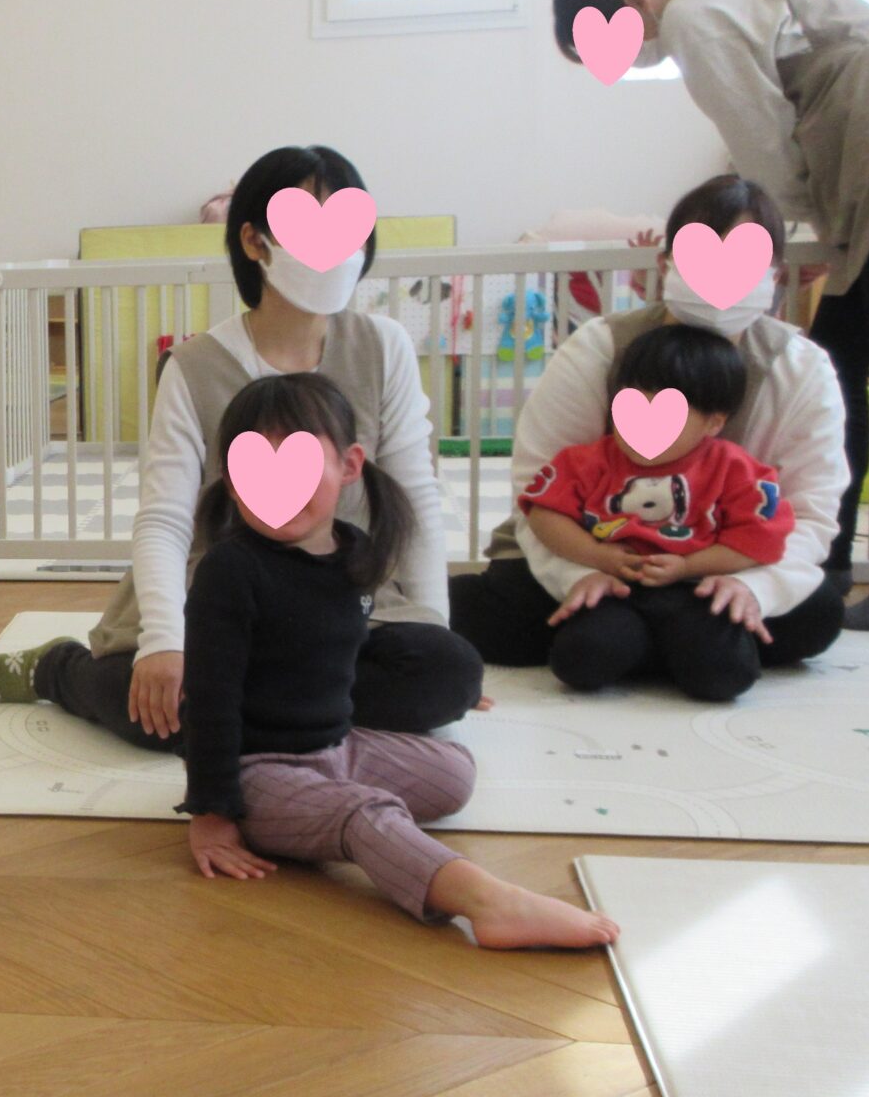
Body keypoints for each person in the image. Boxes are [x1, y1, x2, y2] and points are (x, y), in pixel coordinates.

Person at [0, 145, 485, 738]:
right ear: (255, 241)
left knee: (448, 675)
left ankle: (262, 708)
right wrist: (162, 642)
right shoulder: (194, 366)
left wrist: (432, 627)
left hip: (345, 600)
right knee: (162, 709)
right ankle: (60, 670)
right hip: (219, 600)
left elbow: (415, 494)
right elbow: (164, 519)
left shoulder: (382, 346)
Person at [552, 0, 869, 628]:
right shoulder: (723, 1)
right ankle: (828, 557)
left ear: (636, 2)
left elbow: (762, 143)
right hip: (867, 149)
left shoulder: (696, 15)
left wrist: (788, 238)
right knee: (842, 360)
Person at [174, 373, 618, 950]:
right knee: (368, 813)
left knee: (453, 773)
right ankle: (489, 903)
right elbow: (208, 699)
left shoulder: (354, 551)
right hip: (256, 774)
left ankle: (331, 814)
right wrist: (211, 815)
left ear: (349, 465)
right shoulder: (229, 571)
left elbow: (337, 654)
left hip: (337, 748)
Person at [450, 176, 846, 683]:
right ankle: (660, 637)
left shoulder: (800, 366)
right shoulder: (601, 345)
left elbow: (811, 510)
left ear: (776, 275)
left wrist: (755, 590)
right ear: (664, 265)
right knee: (500, 610)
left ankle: (645, 637)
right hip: (595, 548)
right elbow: (540, 489)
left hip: (722, 563)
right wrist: (584, 573)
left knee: (817, 613)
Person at [521, 324, 795, 700]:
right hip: (615, 590)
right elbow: (544, 515)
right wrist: (598, 557)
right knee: (579, 661)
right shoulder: (586, 461)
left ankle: (661, 654)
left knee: (725, 675)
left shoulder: (735, 469)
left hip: (696, 593)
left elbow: (756, 542)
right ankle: (652, 653)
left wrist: (688, 566)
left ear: (714, 422)